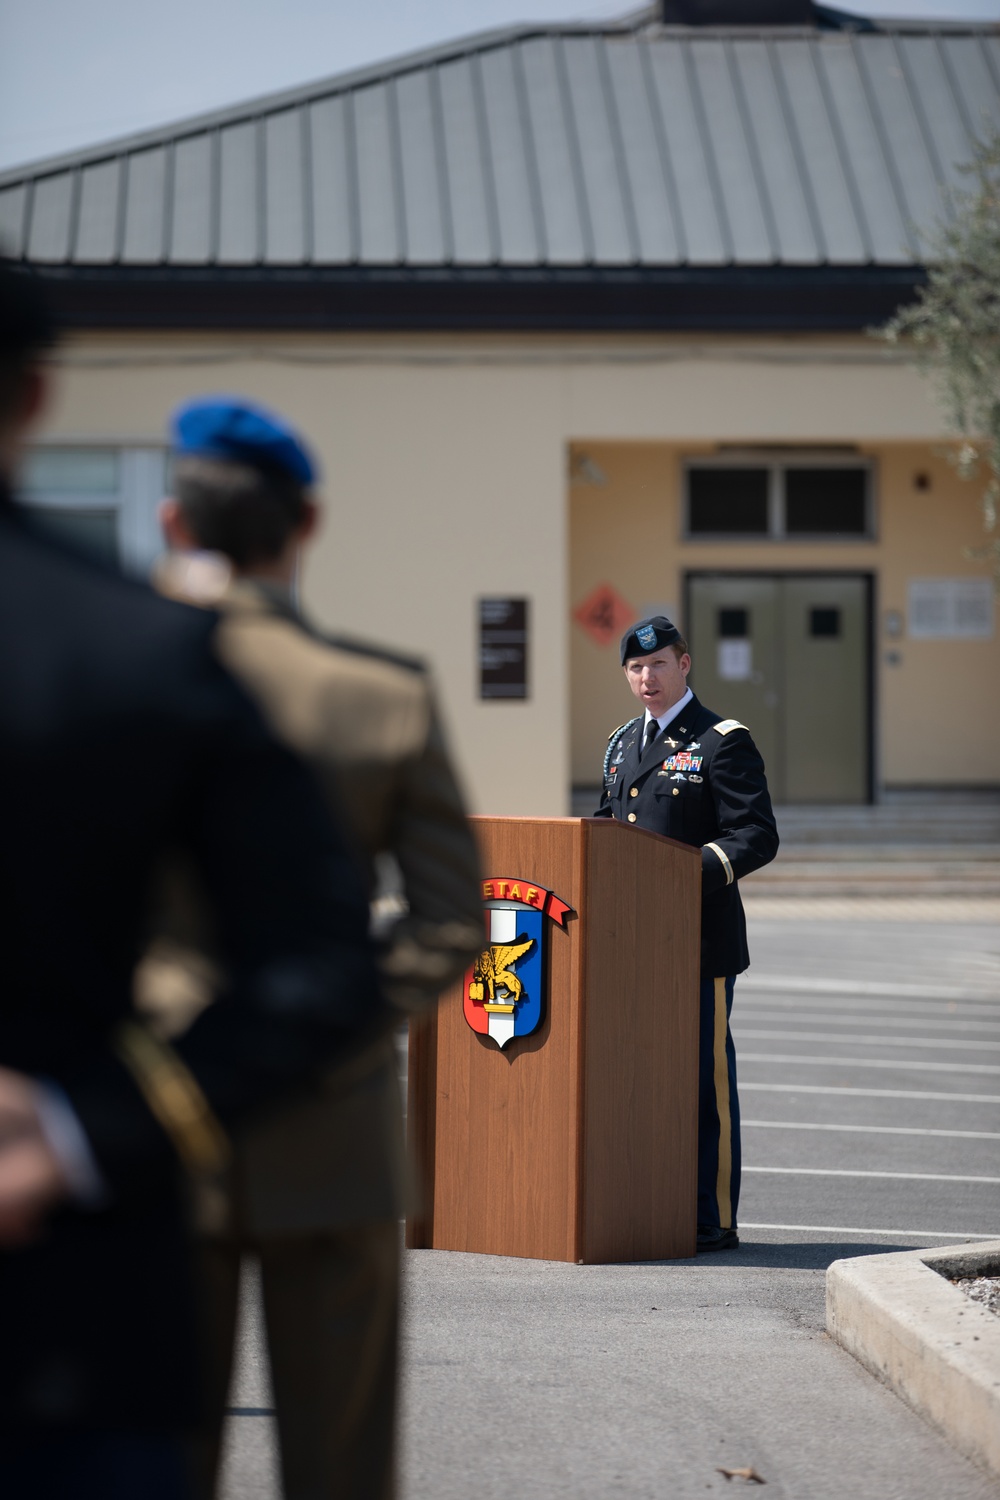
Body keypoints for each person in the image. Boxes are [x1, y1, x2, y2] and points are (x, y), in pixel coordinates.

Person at [0, 265, 383, 1498]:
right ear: (38, 397)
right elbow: (326, 957)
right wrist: (85, 1127)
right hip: (70, 1308)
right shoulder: (139, 654)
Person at [152, 395, 484, 1500]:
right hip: (336, 1122)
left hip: (156, 1118)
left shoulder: (119, 688)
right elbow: (451, 921)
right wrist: (332, 1023)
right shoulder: (381, 698)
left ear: (172, 526)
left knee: (155, 1461)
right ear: (307, 526)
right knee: (340, 1471)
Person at [594, 615, 778, 1253]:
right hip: (630, 944)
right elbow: (606, 827)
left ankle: (713, 1215)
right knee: (638, 1076)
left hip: (697, 942)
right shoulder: (622, 743)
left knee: (703, 1081)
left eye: (660, 665)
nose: (647, 678)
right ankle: (649, 1200)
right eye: (636, 669)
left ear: (686, 664)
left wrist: (676, 877)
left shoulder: (722, 741)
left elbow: (756, 835)